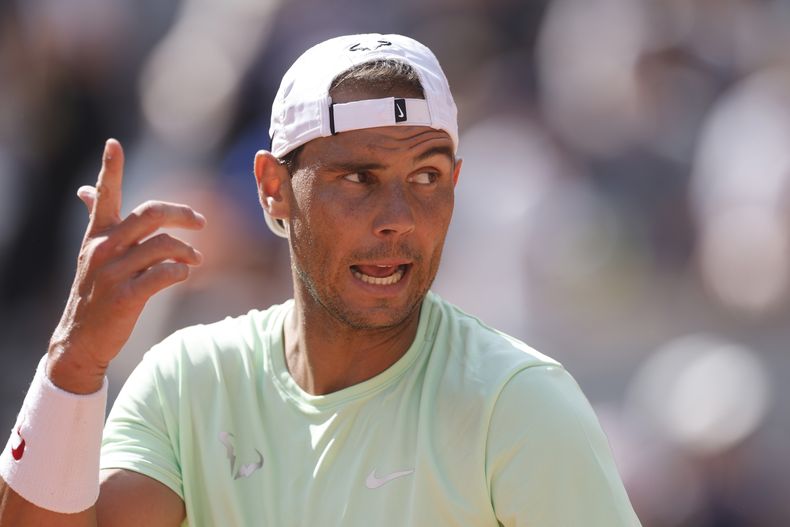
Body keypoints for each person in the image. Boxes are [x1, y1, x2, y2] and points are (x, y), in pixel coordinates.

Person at [0, 33, 641, 526]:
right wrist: (73, 362)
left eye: (426, 177)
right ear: (273, 190)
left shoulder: (521, 403)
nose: (398, 220)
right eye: (357, 179)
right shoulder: (187, 382)